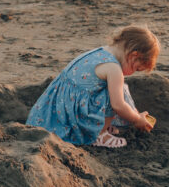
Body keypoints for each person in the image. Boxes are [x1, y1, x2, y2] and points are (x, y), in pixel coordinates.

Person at [26, 25, 160, 148]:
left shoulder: (102, 52)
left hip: (52, 112)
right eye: (136, 69)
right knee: (113, 92)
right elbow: (118, 105)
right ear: (134, 55)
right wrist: (136, 119)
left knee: (117, 87)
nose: (133, 73)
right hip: (73, 119)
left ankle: (102, 126)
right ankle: (99, 136)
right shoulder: (113, 69)